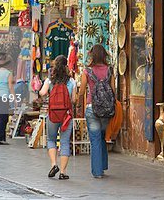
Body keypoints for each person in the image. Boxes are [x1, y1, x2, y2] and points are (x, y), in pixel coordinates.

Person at [78, 44, 115, 178]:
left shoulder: (87, 71)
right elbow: (113, 89)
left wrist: (78, 102)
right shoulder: (110, 70)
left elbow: (82, 90)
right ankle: (103, 165)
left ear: (92, 55)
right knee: (102, 136)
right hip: (106, 109)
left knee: (95, 139)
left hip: (92, 108)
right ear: (104, 55)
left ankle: (97, 171)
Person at [40, 55, 76, 180]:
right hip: (66, 116)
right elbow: (74, 99)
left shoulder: (50, 80)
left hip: (53, 114)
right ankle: (63, 172)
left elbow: (43, 93)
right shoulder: (71, 81)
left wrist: (47, 96)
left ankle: (54, 164)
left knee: (51, 140)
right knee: (65, 142)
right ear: (66, 66)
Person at [0, 53, 15, 145]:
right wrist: (14, 98)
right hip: (3, 96)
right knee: (3, 117)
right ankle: (0, 138)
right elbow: (10, 86)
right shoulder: (8, 73)